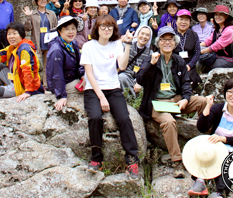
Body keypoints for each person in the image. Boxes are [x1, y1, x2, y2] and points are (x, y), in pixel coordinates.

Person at [136, 26, 207, 178]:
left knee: (202, 101)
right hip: (156, 103)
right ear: (158, 42)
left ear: (175, 43)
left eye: (170, 39)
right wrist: (151, 64)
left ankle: (204, 145)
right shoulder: (151, 58)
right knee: (169, 122)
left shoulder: (178, 60)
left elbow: (186, 83)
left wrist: (185, 100)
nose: (167, 42)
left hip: (175, 100)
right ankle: (177, 161)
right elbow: (140, 79)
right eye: (163, 39)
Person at [80, 14, 140, 180]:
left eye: (110, 27)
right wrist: (101, 97)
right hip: (93, 89)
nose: (106, 29)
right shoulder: (88, 46)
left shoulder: (116, 45)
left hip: (113, 88)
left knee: (124, 119)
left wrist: (127, 43)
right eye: (103, 26)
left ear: (114, 29)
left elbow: (121, 66)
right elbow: (89, 74)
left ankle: (132, 160)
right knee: (95, 117)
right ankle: (96, 158)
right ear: (97, 29)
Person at [187, 78, 233, 198]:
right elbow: (202, 127)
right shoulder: (218, 109)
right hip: (214, 148)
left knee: (227, 161)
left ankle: (219, 192)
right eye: (230, 92)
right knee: (205, 153)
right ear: (225, 93)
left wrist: (222, 139)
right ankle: (200, 181)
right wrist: (208, 106)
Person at [0, 22, 44, 101]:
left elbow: (28, 71)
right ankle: (6, 88)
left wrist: (28, 91)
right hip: (14, 80)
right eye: (9, 34)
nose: (11, 36)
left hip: (22, 86)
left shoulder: (24, 49)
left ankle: (10, 90)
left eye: (14, 33)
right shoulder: (12, 48)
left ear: (21, 35)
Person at [46, 16, 85, 111]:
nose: (71, 32)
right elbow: (56, 75)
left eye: (73, 28)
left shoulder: (73, 43)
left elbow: (80, 64)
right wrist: (62, 95)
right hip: (62, 84)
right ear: (59, 31)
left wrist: (83, 75)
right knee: (91, 85)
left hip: (71, 79)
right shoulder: (57, 50)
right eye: (66, 29)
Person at [22, 0, 58, 89]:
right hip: (37, 43)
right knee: (36, 66)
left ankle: (46, 85)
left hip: (49, 44)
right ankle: (36, 85)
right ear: (37, 1)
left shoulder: (51, 14)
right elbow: (27, 28)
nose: (43, 1)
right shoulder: (32, 14)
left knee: (48, 66)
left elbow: (55, 28)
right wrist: (28, 17)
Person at [118, 25, 153, 100]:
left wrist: (139, 82)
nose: (144, 36)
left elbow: (147, 72)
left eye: (147, 35)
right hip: (126, 77)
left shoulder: (150, 53)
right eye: (142, 33)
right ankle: (132, 100)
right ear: (137, 34)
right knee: (122, 77)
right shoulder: (127, 46)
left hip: (139, 81)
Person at [200, 5, 233, 72]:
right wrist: (196, 47)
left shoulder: (229, 31)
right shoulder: (217, 30)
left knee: (204, 67)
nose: (218, 17)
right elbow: (207, 42)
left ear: (226, 16)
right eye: (216, 15)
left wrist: (199, 52)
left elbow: (215, 46)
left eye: (221, 15)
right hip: (217, 56)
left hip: (227, 60)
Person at [174, 9, 201, 89]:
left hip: (189, 66)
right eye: (181, 19)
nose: (183, 22)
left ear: (189, 22)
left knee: (190, 79)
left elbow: (197, 53)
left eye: (186, 20)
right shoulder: (171, 34)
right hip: (174, 65)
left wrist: (190, 65)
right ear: (176, 21)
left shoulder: (194, 35)